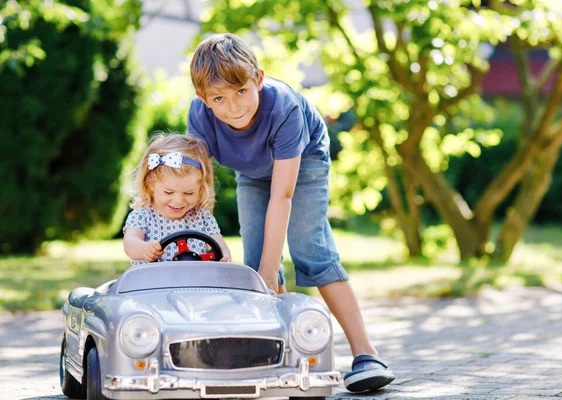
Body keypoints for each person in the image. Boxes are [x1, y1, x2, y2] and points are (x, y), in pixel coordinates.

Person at [186, 33, 395, 393]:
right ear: (203, 100)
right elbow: (194, 189)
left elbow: (283, 196)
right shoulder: (200, 119)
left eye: (241, 92)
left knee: (308, 249)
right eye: (219, 98)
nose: (234, 107)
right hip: (252, 174)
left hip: (304, 162)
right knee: (255, 265)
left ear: (259, 79)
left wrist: (273, 267)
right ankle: (277, 357)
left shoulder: (283, 109)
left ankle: (366, 354)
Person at [123, 133, 231, 265]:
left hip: (194, 283)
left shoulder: (203, 218)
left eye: (188, 193)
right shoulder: (142, 216)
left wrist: (224, 255)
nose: (178, 201)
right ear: (150, 185)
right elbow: (130, 244)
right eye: (169, 192)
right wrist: (144, 249)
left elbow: (218, 244)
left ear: (200, 189)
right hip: (152, 283)